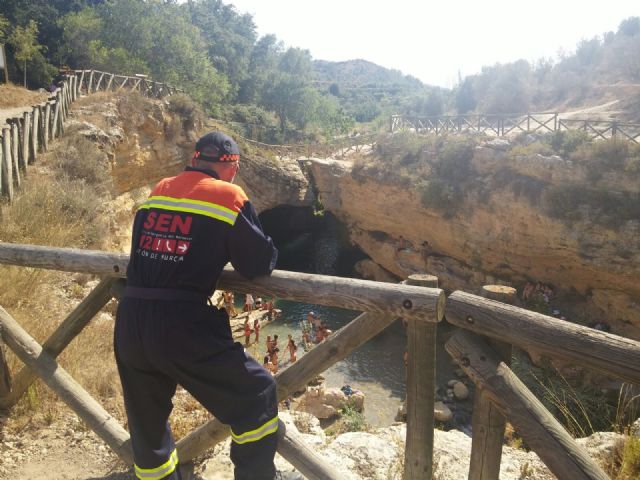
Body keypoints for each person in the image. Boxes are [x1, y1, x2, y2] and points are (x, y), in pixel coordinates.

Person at [114, 131, 301, 480]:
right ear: (231, 165)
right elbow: (258, 263)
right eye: (236, 168)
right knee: (257, 393)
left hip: (131, 318)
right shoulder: (228, 196)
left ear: (195, 158)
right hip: (179, 323)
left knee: (148, 430)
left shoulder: (159, 190)